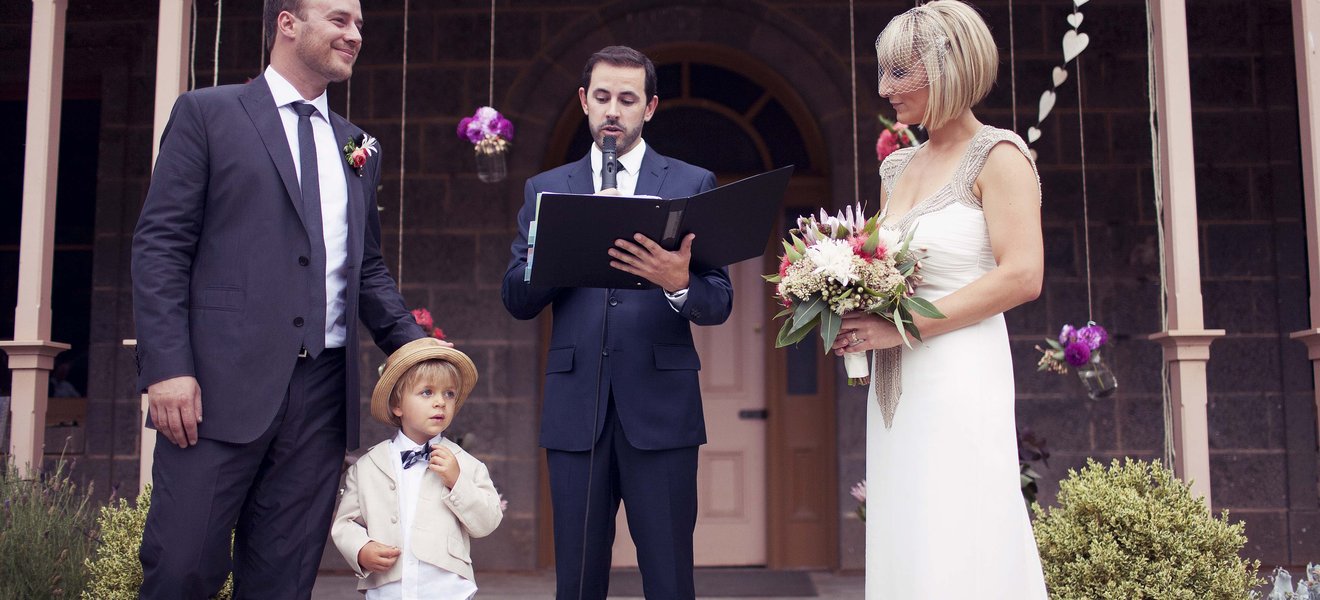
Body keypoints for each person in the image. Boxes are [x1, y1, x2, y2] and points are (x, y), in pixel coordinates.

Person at [130, 0, 426, 597]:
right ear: (287, 23)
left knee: (283, 582)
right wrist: (167, 368)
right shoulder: (207, 113)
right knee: (182, 567)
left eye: (360, 25)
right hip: (212, 392)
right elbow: (160, 245)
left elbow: (366, 270)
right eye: (340, 20)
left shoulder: (359, 146)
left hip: (320, 400)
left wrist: (419, 349)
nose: (355, 35)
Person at [500, 46, 733, 600]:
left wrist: (676, 279)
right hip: (575, 409)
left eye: (627, 100)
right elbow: (516, 298)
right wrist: (558, 250)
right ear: (584, 101)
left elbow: (718, 301)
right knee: (577, 582)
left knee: (670, 579)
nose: (613, 110)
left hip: (663, 410)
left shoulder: (690, 182)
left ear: (649, 107)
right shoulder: (546, 190)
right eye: (602, 97)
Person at [832, 2, 1048, 597]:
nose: (885, 87)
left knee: (959, 527)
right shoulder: (897, 166)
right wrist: (844, 303)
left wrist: (899, 328)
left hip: (959, 376)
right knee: (906, 527)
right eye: (884, 71)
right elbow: (886, 269)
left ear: (948, 66)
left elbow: (1023, 275)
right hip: (892, 385)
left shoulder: (999, 156)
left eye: (901, 71)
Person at [331, 338, 503, 599]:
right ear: (397, 406)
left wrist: (457, 482)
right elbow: (345, 524)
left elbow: (487, 522)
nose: (440, 402)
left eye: (449, 394)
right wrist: (361, 549)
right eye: (427, 392)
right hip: (387, 588)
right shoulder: (368, 466)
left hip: (447, 588)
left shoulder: (466, 464)